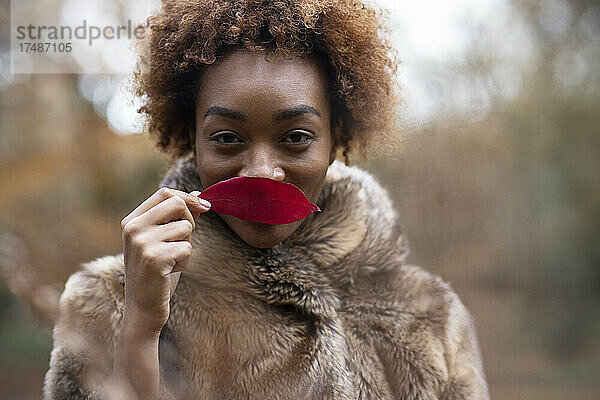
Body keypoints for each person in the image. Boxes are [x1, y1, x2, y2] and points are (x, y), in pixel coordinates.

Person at [43, 0, 489, 399]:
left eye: (295, 137)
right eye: (227, 138)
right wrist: (140, 328)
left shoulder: (430, 318)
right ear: (192, 139)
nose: (260, 172)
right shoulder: (105, 302)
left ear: (334, 140)